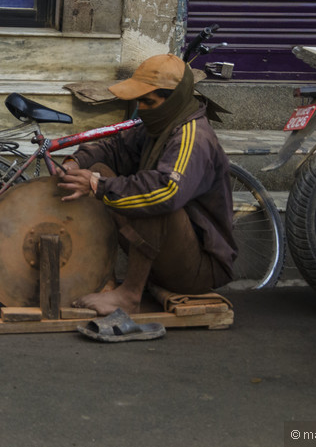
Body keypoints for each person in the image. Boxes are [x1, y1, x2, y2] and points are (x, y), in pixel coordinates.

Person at [57, 54, 236, 316]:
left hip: (199, 269)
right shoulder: (158, 125)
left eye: (148, 101)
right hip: (168, 258)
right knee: (97, 170)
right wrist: (75, 163)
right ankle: (104, 277)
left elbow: (166, 191)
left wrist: (99, 186)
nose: (140, 108)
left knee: (155, 196)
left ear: (172, 100)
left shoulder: (193, 136)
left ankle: (130, 295)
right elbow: (115, 147)